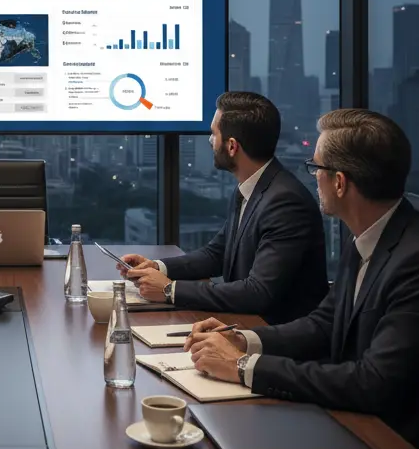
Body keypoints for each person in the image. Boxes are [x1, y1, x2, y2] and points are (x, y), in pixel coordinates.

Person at [187, 108, 419, 449]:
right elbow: (325, 322)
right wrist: (243, 341)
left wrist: (244, 367)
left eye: (315, 167)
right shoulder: (370, 234)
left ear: (339, 182)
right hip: (364, 424)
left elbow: (373, 383)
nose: (311, 176)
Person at [122, 92, 327, 323]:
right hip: (242, 324)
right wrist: (158, 267)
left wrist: (171, 290)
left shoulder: (285, 202)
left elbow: (258, 292)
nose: (210, 141)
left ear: (232, 146)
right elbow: (216, 254)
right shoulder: (252, 187)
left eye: (214, 133)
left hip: (274, 340)